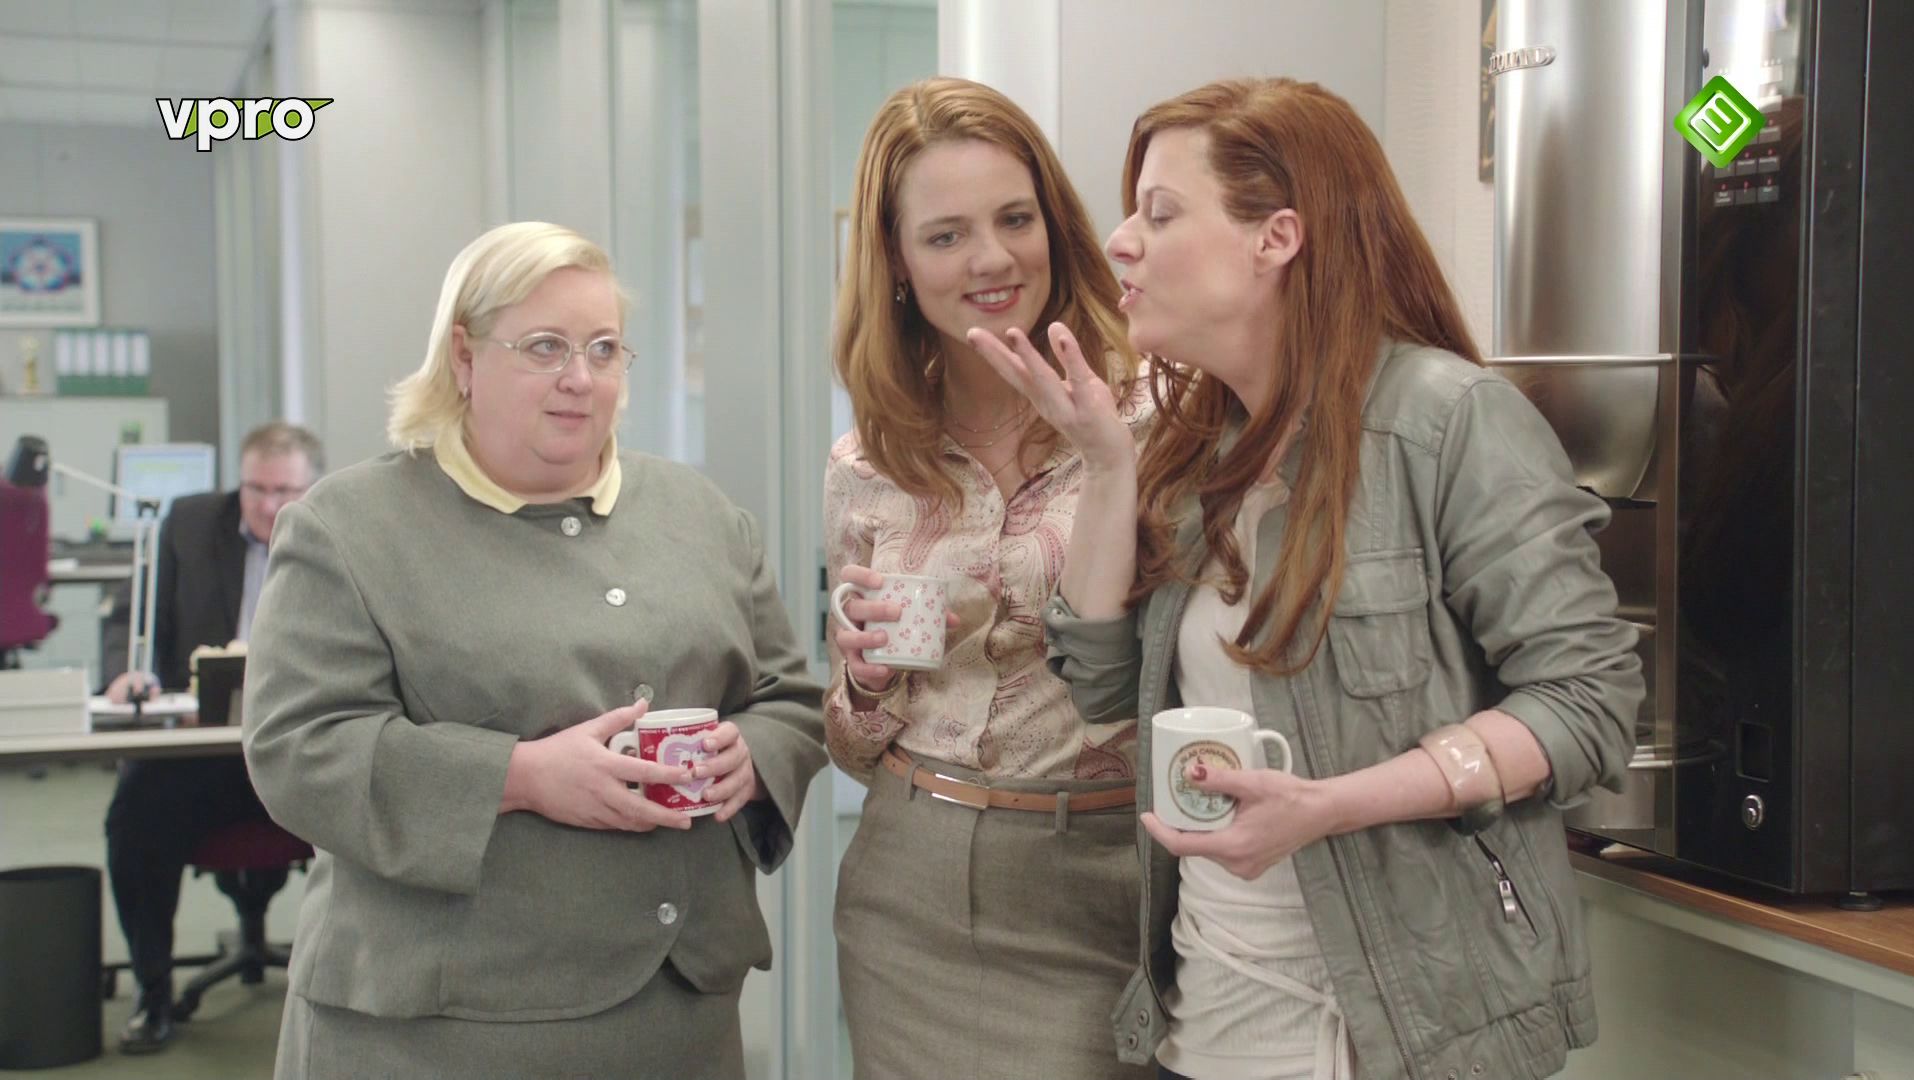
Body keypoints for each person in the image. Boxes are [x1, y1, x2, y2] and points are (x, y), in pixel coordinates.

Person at [972, 79, 1642, 1080]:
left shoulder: (1448, 421)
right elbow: (1107, 693)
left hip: (1405, 1033)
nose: (1120, 243)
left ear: (1276, 238)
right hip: (1213, 1022)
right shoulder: (1192, 450)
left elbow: (1589, 703)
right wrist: (1108, 469)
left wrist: (1333, 804)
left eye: (1161, 213)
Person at [241, 221, 826, 1079]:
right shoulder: (348, 526)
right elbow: (299, 750)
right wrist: (519, 777)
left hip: (680, 1013)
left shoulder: (702, 515)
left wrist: (756, 755)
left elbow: (790, 700)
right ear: (464, 357)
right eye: (545, 347)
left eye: (604, 349)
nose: (579, 379)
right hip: (442, 1029)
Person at [824, 76, 1155, 1080]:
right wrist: (865, 679)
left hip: (1106, 870)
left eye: (1015, 219)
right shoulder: (868, 463)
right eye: (947, 235)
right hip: (910, 886)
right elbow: (851, 747)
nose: (993, 259)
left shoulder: (1159, 416)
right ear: (896, 259)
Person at [102, 420, 322, 1054]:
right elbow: (130, 614)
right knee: (135, 821)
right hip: (199, 755)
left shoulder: (338, 531)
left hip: (304, 752)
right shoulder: (190, 525)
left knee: (381, 805)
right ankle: (152, 992)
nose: (269, 505)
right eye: (256, 488)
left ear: (312, 487)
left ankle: (362, 991)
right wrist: (125, 671)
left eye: (285, 491)